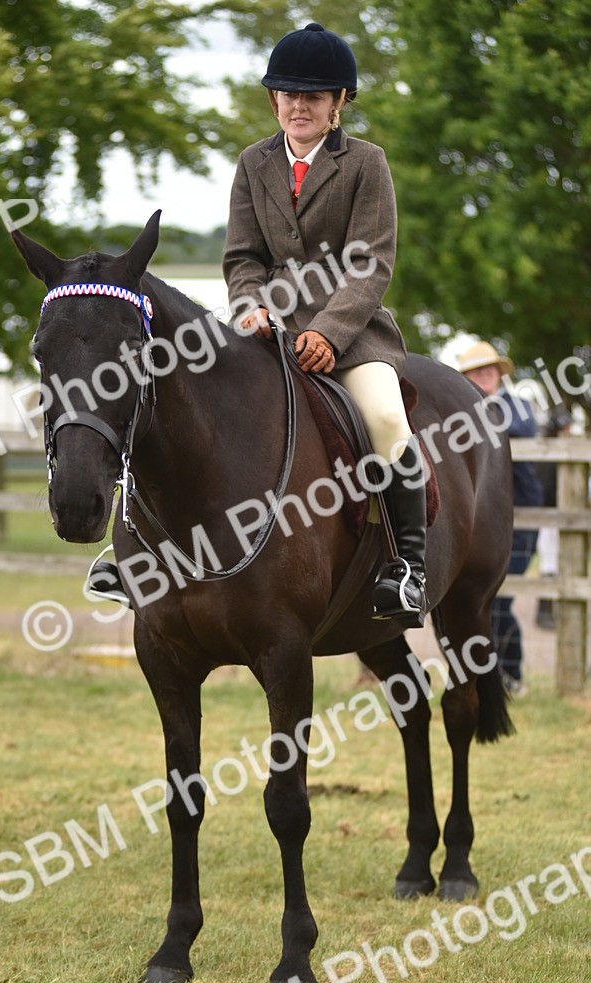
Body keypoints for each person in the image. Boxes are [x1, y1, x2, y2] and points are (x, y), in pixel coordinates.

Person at [222, 22, 426, 627]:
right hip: (269, 331)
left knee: (386, 420)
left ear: (338, 103)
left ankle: (407, 568)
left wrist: (330, 333)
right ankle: (144, 550)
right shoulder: (253, 162)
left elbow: (371, 263)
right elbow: (243, 257)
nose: (299, 106)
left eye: (313, 96)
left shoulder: (366, 163)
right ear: (274, 100)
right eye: (289, 94)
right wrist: (249, 306)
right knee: (190, 400)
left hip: (353, 332)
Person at [457, 340, 544, 695]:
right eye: (476, 370)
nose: (485, 374)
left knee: (502, 599)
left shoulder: (515, 406)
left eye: (489, 369)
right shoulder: (459, 412)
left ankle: (512, 674)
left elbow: (523, 428)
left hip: (519, 516)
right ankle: (484, 675)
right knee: (479, 600)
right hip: (480, 519)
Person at [534, 408, 573, 628]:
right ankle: (544, 612)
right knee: (550, 562)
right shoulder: (551, 454)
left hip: (553, 516)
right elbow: (547, 488)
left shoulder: (554, 451)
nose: (568, 431)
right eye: (565, 427)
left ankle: (548, 610)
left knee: (554, 561)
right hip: (549, 516)